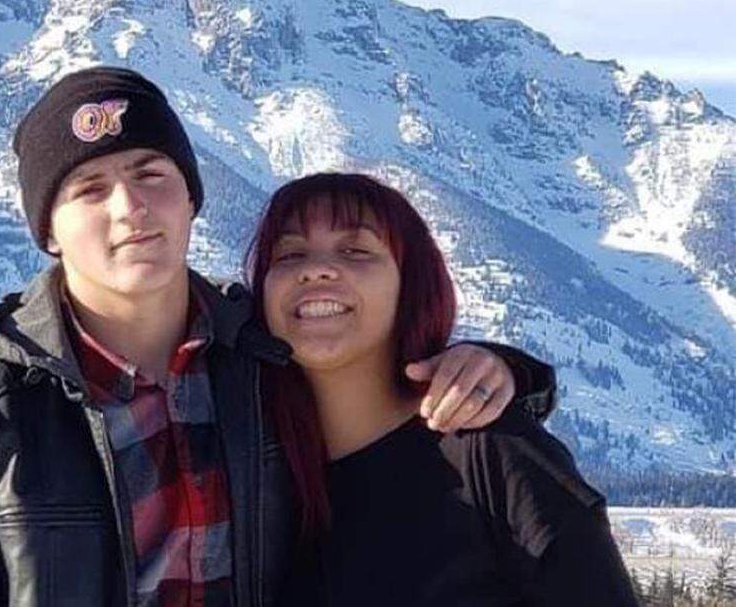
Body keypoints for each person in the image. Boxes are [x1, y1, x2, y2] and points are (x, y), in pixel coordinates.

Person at [0, 67, 557, 606]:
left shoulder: (266, 365)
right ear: (48, 231)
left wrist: (503, 369)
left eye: (151, 176)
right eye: (89, 188)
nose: (130, 208)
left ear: (191, 198)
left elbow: (388, 397)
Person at [247, 172, 638, 606]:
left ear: (410, 285)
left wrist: (512, 371)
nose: (315, 269)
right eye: (290, 254)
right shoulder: (255, 475)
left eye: (355, 250)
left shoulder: (487, 448)